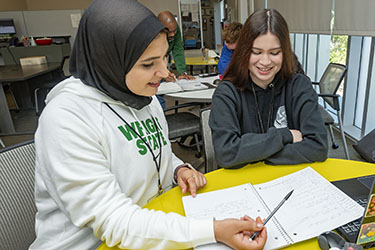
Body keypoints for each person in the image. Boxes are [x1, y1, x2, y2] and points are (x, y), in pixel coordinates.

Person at [29, 1, 267, 249]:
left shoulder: (144, 97)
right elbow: (114, 221)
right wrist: (214, 230)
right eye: (148, 64)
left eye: (164, 57)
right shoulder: (66, 118)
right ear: (108, 60)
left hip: (149, 228)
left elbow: (151, 150)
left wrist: (177, 170)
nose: (165, 72)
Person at [209, 9, 328, 169]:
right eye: (256, 52)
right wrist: (285, 136)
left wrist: (251, 154)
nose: (265, 61)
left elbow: (317, 147)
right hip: (242, 186)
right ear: (243, 51)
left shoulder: (299, 86)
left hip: (291, 182)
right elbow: (226, 154)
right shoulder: (227, 93)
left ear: (285, 52)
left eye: (274, 53)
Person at [158, 10, 195, 82]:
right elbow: (153, 59)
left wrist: (183, 72)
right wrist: (164, 74)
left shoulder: (175, 30)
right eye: (170, 32)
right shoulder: (151, 34)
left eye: (174, 31)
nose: (173, 34)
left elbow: (178, 51)